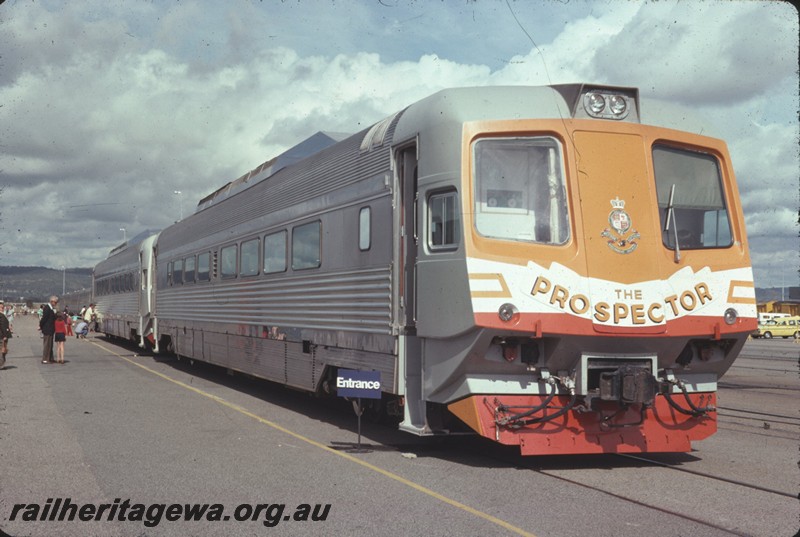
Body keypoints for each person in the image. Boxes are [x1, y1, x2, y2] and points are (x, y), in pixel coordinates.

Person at [40, 295, 58, 364]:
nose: (56, 304)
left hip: (50, 329)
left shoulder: (51, 308)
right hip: (47, 329)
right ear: (52, 301)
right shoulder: (47, 308)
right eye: (55, 302)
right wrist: (41, 326)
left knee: (50, 345)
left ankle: (50, 358)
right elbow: (44, 319)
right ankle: (45, 359)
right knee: (47, 345)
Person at [0, 300, 10, 368]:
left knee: (3, 350)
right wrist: (5, 335)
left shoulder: (2, 314)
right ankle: (1, 364)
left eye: (3, 307)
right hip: (2, 335)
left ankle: (2, 363)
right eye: (1, 307)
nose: (2, 308)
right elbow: (2, 326)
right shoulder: (1, 315)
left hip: (2, 334)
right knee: (2, 350)